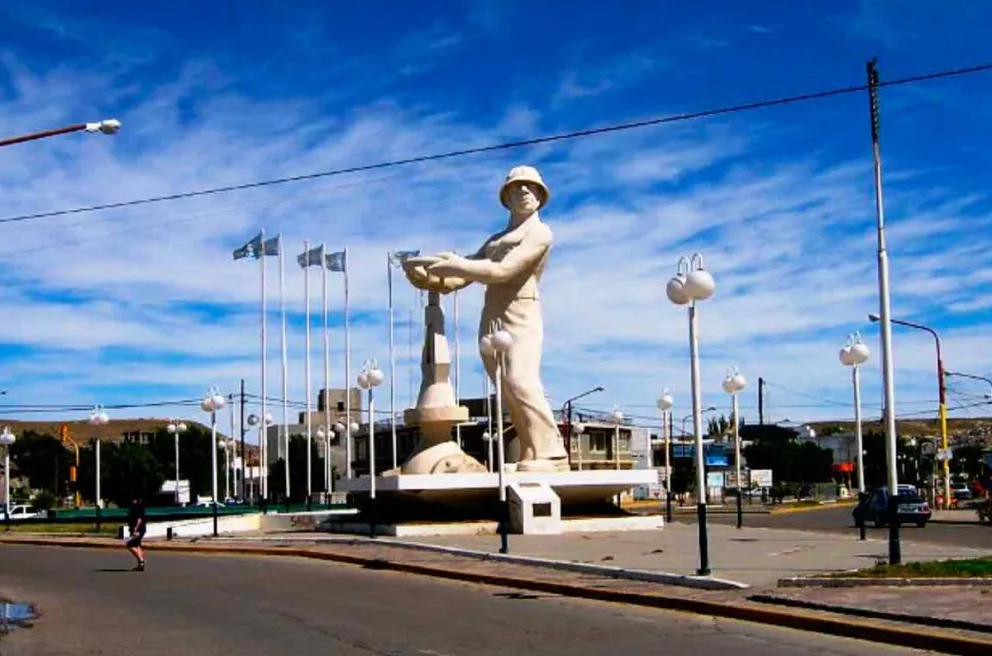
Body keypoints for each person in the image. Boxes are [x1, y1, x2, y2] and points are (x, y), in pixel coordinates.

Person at [409, 165, 569, 472]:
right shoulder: (496, 239)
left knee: (521, 381)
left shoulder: (540, 233)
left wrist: (455, 264)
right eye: (516, 188)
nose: (523, 191)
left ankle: (552, 453)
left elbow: (502, 271)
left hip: (522, 311)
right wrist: (427, 277)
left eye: (530, 187)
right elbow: (460, 279)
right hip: (492, 314)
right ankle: (530, 452)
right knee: (506, 388)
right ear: (506, 197)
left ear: (540, 196)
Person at [125, 496, 147, 571]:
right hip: (138, 529)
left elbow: (139, 519)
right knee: (137, 545)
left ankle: (141, 561)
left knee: (129, 545)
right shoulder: (135, 507)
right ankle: (140, 565)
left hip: (138, 530)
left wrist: (135, 528)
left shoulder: (137, 507)